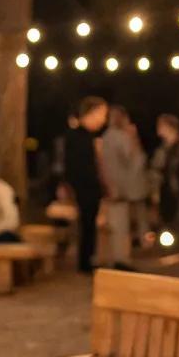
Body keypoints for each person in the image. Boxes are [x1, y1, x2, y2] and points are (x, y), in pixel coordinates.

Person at [63, 96, 108, 272]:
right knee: (87, 224)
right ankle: (85, 261)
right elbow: (77, 166)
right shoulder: (77, 137)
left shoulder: (88, 137)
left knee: (90, 225)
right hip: (84, 189)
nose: (103, 119)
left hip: (89, 188)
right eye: (102, 114)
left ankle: (88, 258)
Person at [100, 106, 149, 268]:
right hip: (122, 188)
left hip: (109, 186)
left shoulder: (106, 137)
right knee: (121, 226)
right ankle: (121, 259)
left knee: (113, 226)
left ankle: (113, 257)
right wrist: (134, 139)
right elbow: (136, 161)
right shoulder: (122, 137)